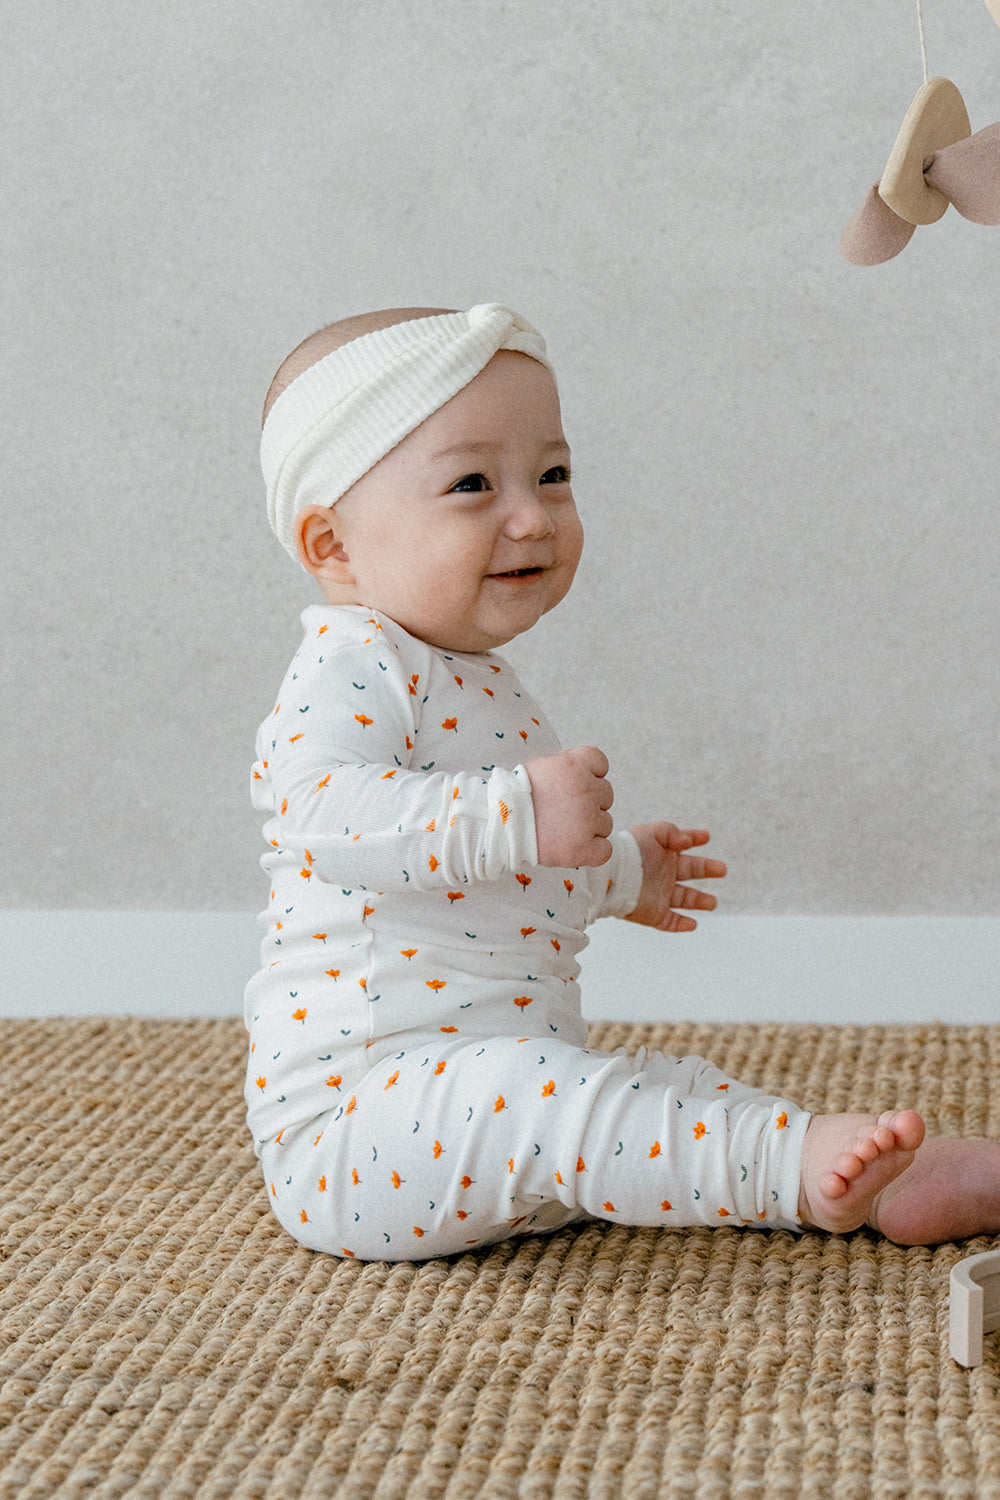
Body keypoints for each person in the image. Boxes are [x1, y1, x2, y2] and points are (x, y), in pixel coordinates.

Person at [245, 302, 1000, 1261]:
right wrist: (520, 811)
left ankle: (860, 1174)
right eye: (474, 483)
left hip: (487, 1097)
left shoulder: (473, 678)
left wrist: (617, 874)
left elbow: (484, 879)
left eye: (553, 475)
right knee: (544, 1098)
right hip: (359, 1130)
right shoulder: (349, 666)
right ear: (333, 546)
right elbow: (318, 818)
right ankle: (794, 1169)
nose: (532, 514)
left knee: (651, 1087)